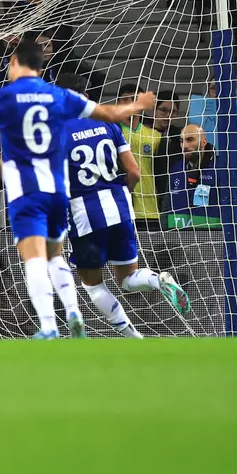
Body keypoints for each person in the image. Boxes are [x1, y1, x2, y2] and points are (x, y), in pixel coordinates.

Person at [0, 39, 155, 339]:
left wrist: (3, 169)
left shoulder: (3, 97)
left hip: (34, 190)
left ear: (13, 62)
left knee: (35, 258)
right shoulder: (57, 96)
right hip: (66, 194)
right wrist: (140, 103)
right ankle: (74, 312)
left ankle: (49, 326)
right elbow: (114, 119)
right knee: (57, 256)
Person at [57, 75, 191, 339]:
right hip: (120, 206)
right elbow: (135, 172)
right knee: (128, 279)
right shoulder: (109, 123)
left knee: (93, 285)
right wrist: (119, 194)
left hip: (84, 214)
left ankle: (132, 338)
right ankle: (157, 280)